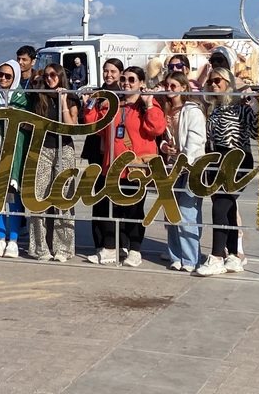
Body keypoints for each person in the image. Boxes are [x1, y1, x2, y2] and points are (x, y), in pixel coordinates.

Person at [84, 65, 166, 267]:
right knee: (109, 209)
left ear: (141, 83)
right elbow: (94, 127)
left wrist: (148, 105)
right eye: (123, 79)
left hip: (136, 168)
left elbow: (156, 128)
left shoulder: (147, 104)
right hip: (111, 166)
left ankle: (135, 250)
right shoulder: (113, 104)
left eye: (131, 80)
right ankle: (110, 249)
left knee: (134, 210)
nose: (126, 83)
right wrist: (90, 104)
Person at [196, 67, 259, 276]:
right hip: (215, 160)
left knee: (221, 206)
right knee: (227, 207)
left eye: (218, 81)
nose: (214, 85)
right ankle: (233, 254)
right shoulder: (213, 108)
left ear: (228, 83)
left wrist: (256, 107)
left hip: (237, 159)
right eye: (210, 82)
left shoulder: (240, 106)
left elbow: (258, 133)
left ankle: (216, 256)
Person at [29, 63, 79, 262]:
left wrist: (64, 101)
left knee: (64, 198)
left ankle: (63, 249)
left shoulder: (71, 96)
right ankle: (40, 247)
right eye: (46, 76)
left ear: (60, 76)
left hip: (64, 148)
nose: (49, 78)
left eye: (52, 75)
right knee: (39, 197)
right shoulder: (38, 96)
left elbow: (71, 127)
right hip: (42, 148)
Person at [159, 72, 206, 272]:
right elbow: (161, 136)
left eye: (173, 86)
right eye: (167, 86)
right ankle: (176, 255)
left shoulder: (192, 110)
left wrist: (184, 159)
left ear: (183, 87)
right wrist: (164, 147)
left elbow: (196, 139)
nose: (170, 90)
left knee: (188, 212)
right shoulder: (165, 109)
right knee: (171, 213)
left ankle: (190, 258)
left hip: (190, 166)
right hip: (171, 166)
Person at [0, 60, 31, 258]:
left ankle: (13, 240)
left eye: (8, 76)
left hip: (16, 150)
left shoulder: (24, 97)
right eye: (1, 75)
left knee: (13, 196)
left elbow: (28, 122)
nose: (3, 79)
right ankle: (0, 238)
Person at [81, 58, 124, 252]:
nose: (109, 75)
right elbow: (88, 120)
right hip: (97, 153)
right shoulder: (97, 94)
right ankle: (100, 243)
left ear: (120, 73)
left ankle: (120, 244)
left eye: (113, 71)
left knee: (119, 199)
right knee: (99, 198)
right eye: (106, 71)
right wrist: (89, 104)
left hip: (118, 153)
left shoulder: (125, 94)